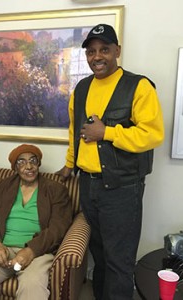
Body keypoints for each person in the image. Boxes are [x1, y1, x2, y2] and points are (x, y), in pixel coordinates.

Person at [57, 24, 164, 300]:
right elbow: (75, 131)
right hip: (88, 185)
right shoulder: (81, 88)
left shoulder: (138, 86)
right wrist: (70, 164)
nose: (97, 56)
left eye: (104, 49)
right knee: (100, 258)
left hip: (122, 188)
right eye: (91, 51)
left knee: (119, 263)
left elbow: (152, 134)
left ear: (117, 50)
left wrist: (107, 132)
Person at [0, 144, 72, 300]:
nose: (29, 166)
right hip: (2, 249)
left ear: (39, 163)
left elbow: (58, 229)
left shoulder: (55, 189)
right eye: (22, 162)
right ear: (14, 167)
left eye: (33, 160)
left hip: (37, 252)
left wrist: (30, 251)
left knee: (32, 283)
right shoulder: (4, 186)